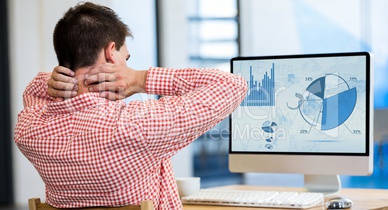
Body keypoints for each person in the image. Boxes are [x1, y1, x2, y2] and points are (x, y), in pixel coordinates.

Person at [14, 2, 247, 210]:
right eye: (125, 59)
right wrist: (138, 78)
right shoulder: (135, 125)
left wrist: (50, 82)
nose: (127, 66)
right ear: (110, 53)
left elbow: (32, 93)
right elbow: (233, 84)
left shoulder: (30, 129)